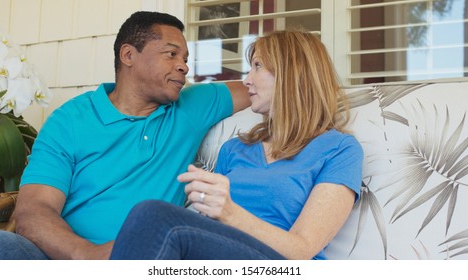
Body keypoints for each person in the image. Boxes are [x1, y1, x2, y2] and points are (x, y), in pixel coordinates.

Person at [0, 11, 249, 260]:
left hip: (143, 259)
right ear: (128, 55)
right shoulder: (70, 120)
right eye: (171, 54)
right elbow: (33, 211)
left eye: (186, 59)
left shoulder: (192, 105)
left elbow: (263, 86)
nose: (184, 67)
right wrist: (88, 255)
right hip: (58, 257)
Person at [109, 29, 364, 260]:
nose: (247, 80)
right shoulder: (235, 149)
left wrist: (230, 213)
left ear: (291, 74)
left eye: (257, 66)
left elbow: (302, 249)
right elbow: (207, 230)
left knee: (151, 216)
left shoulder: (339, 150)